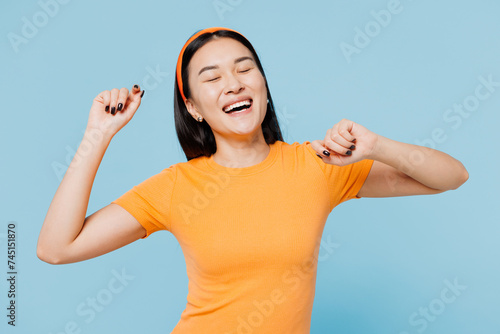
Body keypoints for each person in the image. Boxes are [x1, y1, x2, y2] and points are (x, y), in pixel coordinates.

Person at [37, 27, 469, 333]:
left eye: (245, 69)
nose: (233, 84)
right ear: (193, 107)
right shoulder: (176, 187)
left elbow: (451, 176)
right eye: (212, 77)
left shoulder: (317, 165)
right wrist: (98, 133)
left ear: (263, 86)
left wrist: (376, 146)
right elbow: (56, 249)